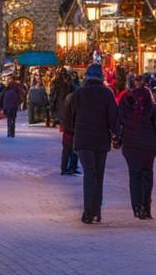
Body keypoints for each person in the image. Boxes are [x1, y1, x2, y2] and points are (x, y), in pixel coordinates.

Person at [62, 63, 120, 224]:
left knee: (89, 173)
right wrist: (117, 133)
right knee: (98, 175)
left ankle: (88, 211)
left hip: (83, 139)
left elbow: (69, 117)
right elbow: (113, 117)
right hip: (101, 140)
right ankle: (96, 212)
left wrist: (73, 129)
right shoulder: (107, 94)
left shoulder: (79, 94)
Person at [117, 76, 156, 219]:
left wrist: (118, 138)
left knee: (134, 175)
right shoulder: (153, 107)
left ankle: (137, 207)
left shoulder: (125, 103)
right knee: (147, 175)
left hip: (130, 144)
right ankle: (146, 207)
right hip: (148, 145)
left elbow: (119, 121)